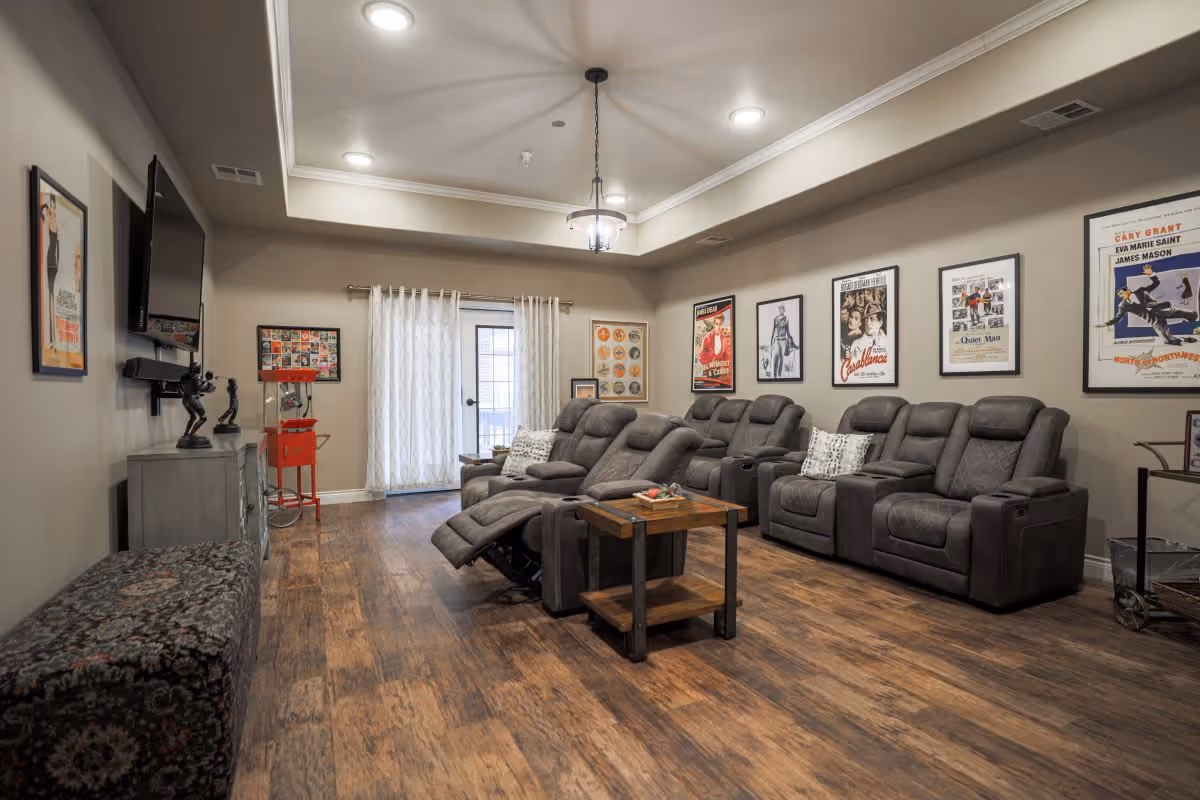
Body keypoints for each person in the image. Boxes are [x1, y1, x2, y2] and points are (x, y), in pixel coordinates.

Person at [1096, 268, 1198, 346]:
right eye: (1119, 295)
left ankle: (1195, 320)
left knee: (1192, 314)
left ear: (1127, 290)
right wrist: (1106, 324)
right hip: (1155, 321)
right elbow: (1117, 318)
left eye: (1121, 293)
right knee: (1169, 340)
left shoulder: (1142, 291)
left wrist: (1151, 274)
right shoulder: (1123, 305)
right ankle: (1184, 339)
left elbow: (1156, 283)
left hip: (1163, 310)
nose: (1120, 296)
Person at [769, 304, 797, 378]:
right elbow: (773, 329)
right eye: (779, 309)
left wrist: (791, 341)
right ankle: (774, 375)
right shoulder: (775, 318)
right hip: (777, 340)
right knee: (775, 357)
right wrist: (771, 339)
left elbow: (788, 331)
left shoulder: (786, 319)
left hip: (784, 340)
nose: (780, 310)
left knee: (781, 358)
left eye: (781, 309)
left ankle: (779, 375)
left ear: (783, 310)